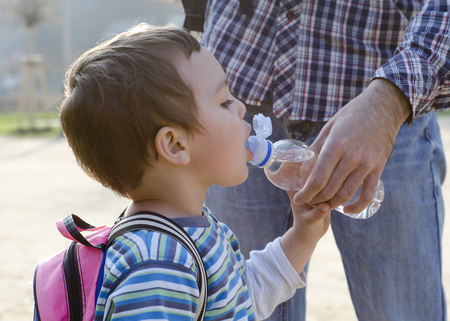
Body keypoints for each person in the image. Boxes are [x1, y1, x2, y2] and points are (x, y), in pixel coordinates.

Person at [58, 23, 331, 320]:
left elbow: (240, 299)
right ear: (175, 145)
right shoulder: (158, 265)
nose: (240, 108)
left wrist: (304, 235)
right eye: (224, 101)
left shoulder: (194, 230)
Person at [201, 0, 449, 320]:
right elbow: (244, 300)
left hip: (382, 102)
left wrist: (390, 100)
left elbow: (258, 284)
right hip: (241, 71)